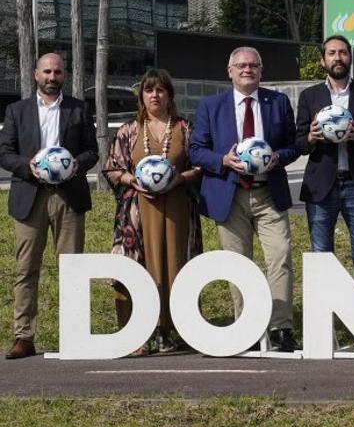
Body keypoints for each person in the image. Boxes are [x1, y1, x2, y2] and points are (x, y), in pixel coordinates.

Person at [189, 46, 299, 352]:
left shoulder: (277, 103)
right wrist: (222, 160)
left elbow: (294, 145)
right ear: (230, 71)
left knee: (281, 257)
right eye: (241, 65)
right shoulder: (211, 106)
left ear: (261, 71)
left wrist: (277, 156)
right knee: (238, 264)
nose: (247, 69)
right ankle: (246, 327)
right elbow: (196, 149)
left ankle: (281, 329)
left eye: (253, 65)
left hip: (268, 192)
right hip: (230, 192)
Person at [0, 52, 98, 359]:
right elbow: (4, 152)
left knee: (71, 268)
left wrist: (73, 164)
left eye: (57, 72)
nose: (52, 77)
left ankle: (74, 335)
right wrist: (27, 166)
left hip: (68, 195)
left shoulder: (79, 109)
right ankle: (23, 337)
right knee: (26, 269)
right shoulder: (17, 111)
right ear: (35, 74)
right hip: (30, 195)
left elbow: (92, 152)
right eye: (46, 72)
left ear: (65, 76)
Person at [102, 68, 204, 355]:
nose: (155, 95)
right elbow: (111, 168)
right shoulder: (129, 131)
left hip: (177, 208)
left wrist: (180, 179)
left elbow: (201, 166)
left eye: (160, 90)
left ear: (169, 95)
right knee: (137, 266)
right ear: (142, 96)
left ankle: (169, 331)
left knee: (174, 264)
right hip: (137, 209)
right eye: (149, 90)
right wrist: (131, 179)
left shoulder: (185, 129)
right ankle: (136, 332)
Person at [294, 35, 354, 298]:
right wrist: (310, 138)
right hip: (321, 186)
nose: (338, 58)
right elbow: (298, 142)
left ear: (350, 58)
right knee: (322, 257)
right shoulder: (310, 96)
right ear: (323, 60)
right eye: (332, 53)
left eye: (343, 52)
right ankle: (327, 323)